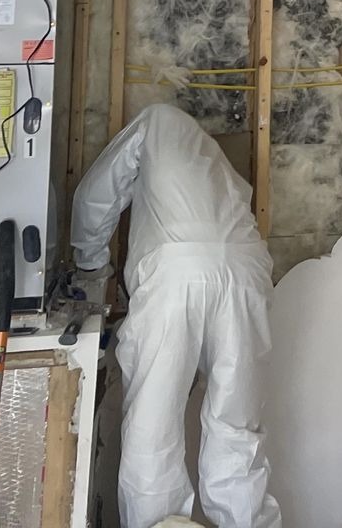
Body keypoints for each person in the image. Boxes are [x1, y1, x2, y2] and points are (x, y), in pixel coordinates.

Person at [70, 102, 282, 528]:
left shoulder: (154, 121)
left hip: (176, 273)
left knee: (154, 423)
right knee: (235, 426)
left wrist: (89, 264)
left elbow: (98, 193)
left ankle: (156, 522)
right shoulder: (218, 166)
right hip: (248, 273)